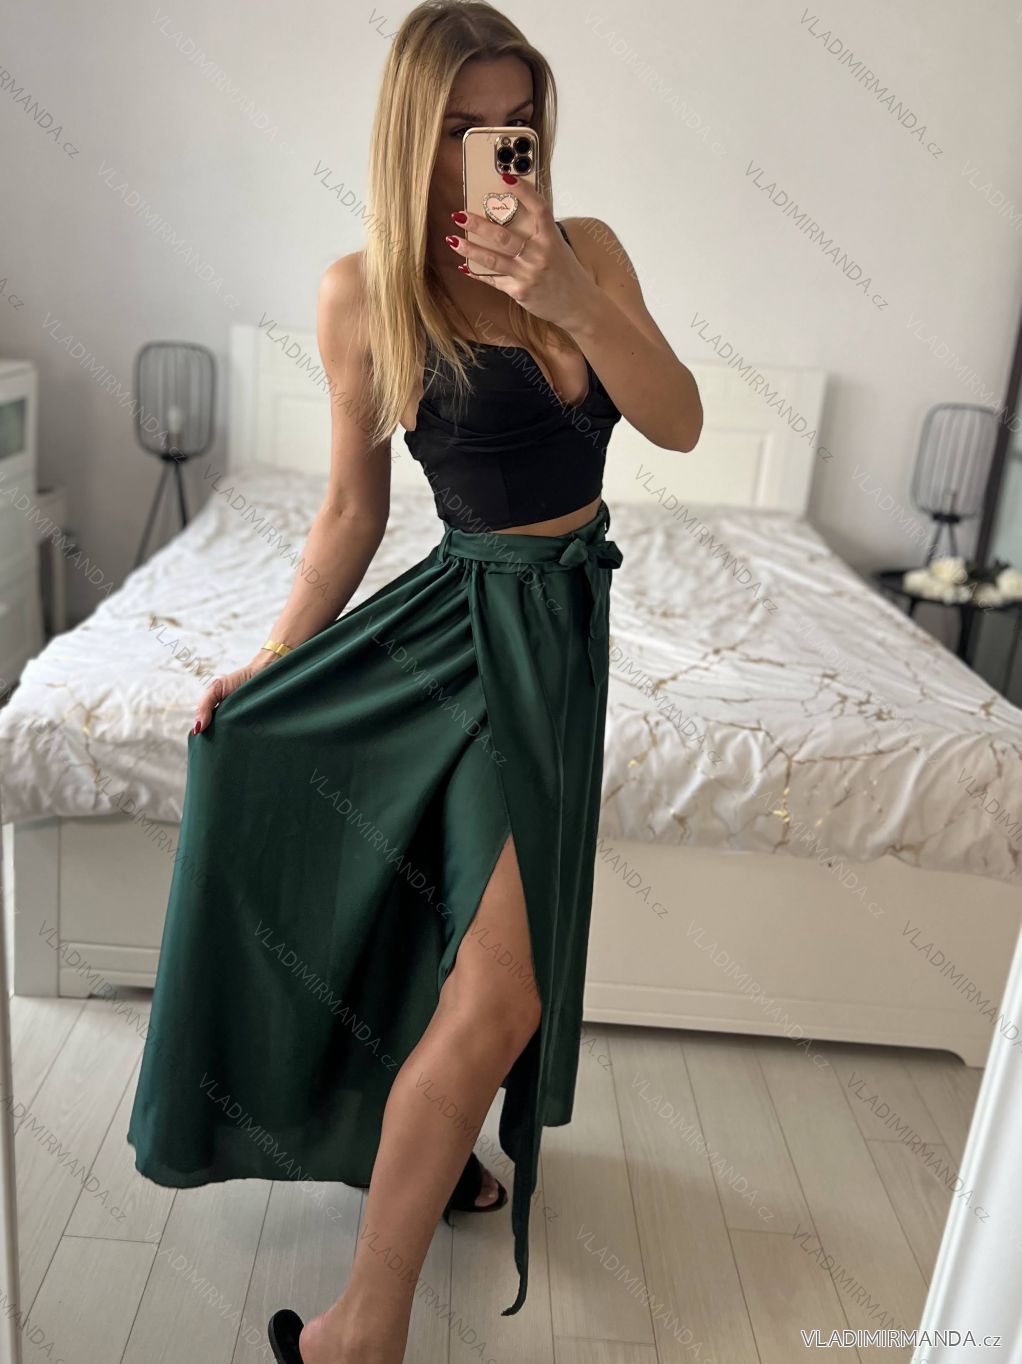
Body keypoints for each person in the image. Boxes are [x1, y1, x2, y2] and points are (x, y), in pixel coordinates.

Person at [126, 3, 702, 1362]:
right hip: (459, 633)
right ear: (409, 136)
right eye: (458, 129)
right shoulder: (364, 291)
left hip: (563, 633)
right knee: (503, 992)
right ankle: (360, 1332)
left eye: (514, 124)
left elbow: (675, 419)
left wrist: (568, 296)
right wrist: (273, 661)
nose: (492, 152)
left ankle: (434, 1170)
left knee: (480, 961)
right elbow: (350, 510)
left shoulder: (590, 250)